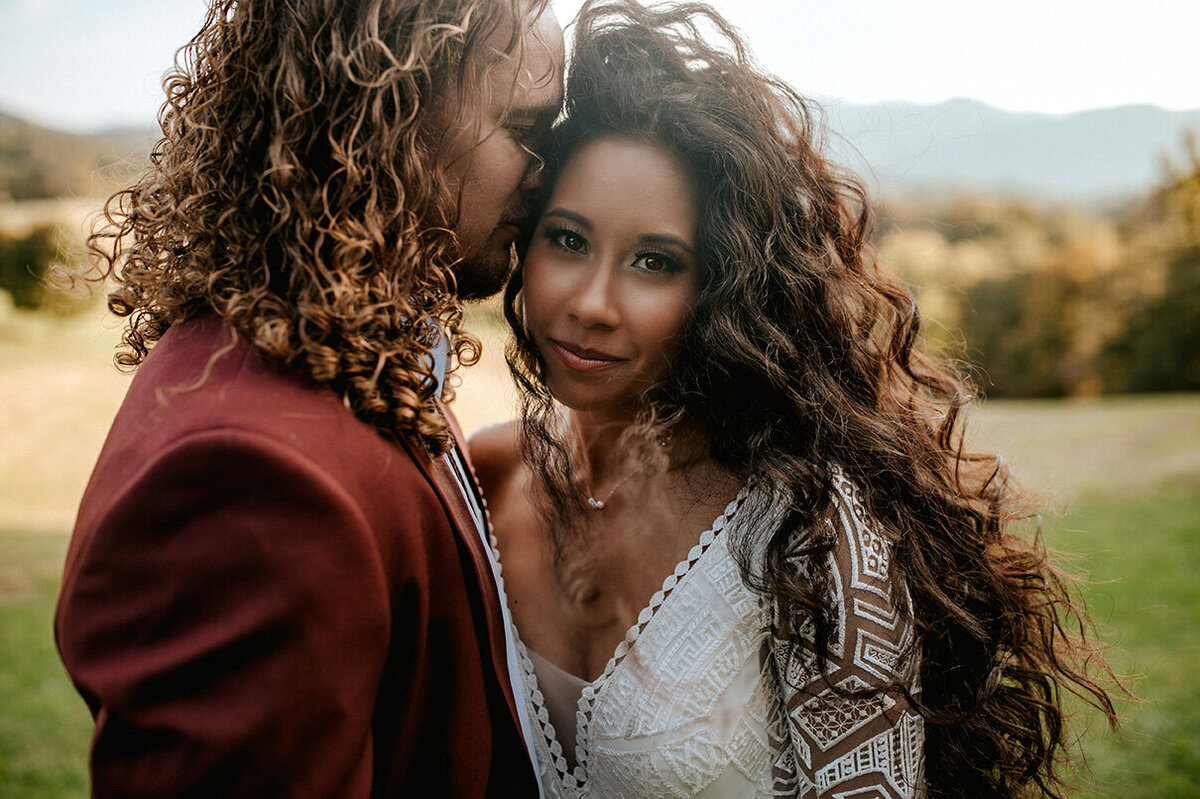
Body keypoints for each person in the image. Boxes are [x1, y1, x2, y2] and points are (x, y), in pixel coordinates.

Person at [470, 2, 1117, 797]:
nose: (594, 301)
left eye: (654, 261)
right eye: (567, 240)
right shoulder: (482, 479)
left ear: (722, 290)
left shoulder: (806, 529)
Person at [55, 0, 562, 795]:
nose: (548, 172)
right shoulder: (249, 477)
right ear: (388, 119)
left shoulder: (345, 349)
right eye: (525, 130)